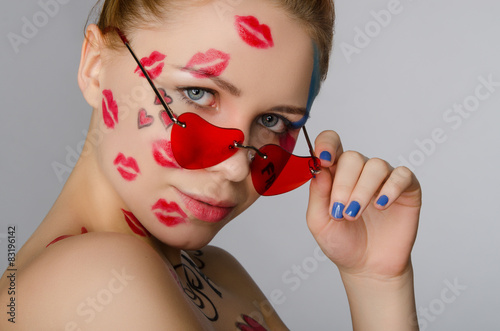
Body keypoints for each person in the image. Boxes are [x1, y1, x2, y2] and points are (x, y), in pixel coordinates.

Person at [0, 0, 421, 329]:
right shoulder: (99, 280)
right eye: (198, 94)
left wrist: (378, 281)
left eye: (273, 121)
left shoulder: (217, 273)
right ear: (95, 68)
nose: (237, 168)